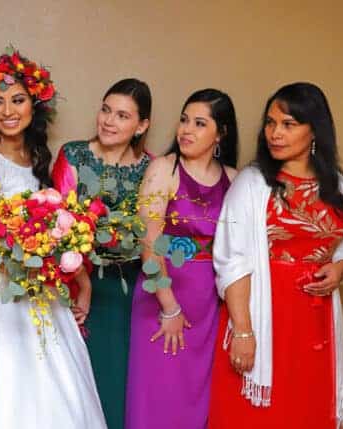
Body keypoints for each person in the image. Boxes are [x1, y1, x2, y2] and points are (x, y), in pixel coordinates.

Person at [0, 47, 106, 429]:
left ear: (35, 104)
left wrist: (60, 266)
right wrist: (18, 266)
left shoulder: (36, 157)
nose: (7, 111)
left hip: (37, 286)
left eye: (17, 100)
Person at [208, 82, 343, 429]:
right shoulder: (252, 184)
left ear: (314, 128)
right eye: (270, 123)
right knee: (257, 415)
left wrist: (341, 269)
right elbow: (232, 261)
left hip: (316, 323)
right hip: (262, 315)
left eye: (288, 124)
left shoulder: (338, 186)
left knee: (308, 409)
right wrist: (242, 332)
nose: (275, 133)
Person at [126, 89, 238, 429]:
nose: (186, 130)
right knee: (158, 396)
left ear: (220, 134)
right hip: (162, 294)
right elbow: (149, 244)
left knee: (197, 399)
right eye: (184, 120)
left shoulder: (233, 179)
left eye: (199, 123)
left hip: (207, 304)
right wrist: (169, 306)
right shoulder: (164, 169)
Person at [51, 78, 152, 429]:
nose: (108, 121)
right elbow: (60, 227)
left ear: (141, 126)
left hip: (130, 289)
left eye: (122, 116)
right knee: (79, 381)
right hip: (77, 282)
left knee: (121, 379)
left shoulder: (151, 168)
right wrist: (84, 285)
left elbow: (150, 234)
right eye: (106, 110)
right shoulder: (73, 155)